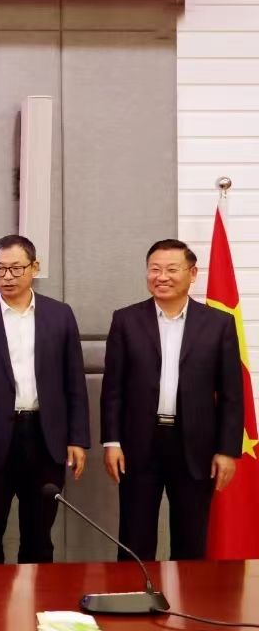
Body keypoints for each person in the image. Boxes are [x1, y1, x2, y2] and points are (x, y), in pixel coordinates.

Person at [101, 239, 243, 561]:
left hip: (195, 446)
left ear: (192, 274)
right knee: (135, 538)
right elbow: (113, 388)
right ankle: (134, 591)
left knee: (191, 540)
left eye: (171, 269)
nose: (161, 277)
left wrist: (226, 450)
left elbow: (232, 394)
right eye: (154, 269)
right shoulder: (126, 320)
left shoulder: (218, 323)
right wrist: (112, 441)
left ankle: (188, 594)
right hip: (139, 444)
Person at [0, 234, 89, 565]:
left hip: (45, 438)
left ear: (34, 268)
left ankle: (37, 596)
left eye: (16, 268)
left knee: (39, 536)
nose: (7, 276)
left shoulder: (60, 315)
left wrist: (77, 438)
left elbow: (74, 380)